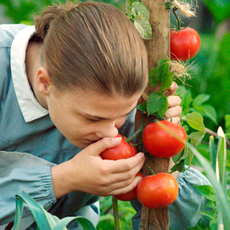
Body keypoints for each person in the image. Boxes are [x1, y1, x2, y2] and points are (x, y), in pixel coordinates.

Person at [0, 1, 210, 229]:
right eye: (92, 118)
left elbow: (174, 217)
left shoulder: (120, 104)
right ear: (45, 83)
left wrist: (158, 145)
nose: (111, 132)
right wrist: (63, 179)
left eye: (122, 114)